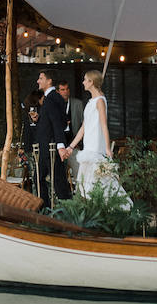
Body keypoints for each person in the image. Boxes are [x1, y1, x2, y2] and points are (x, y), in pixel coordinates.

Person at [61, 70, 130, 205]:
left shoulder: (100, 101)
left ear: (91, 82)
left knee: (101, 182)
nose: (83, 82)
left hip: (96, 147)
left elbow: (104, 125)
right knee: (86, 184)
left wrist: (107, 149)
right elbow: (83, 128)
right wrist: (70, 147)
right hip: (89, 146)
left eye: (85, 80)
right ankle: (95, 211)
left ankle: (119, 207)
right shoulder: (91, 101)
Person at [33, 69, 72, 205]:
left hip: (51, 147)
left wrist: (60, 146)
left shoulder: (51, 99)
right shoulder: (53, 98)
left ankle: (67, 210)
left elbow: (57, 123)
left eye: (41, 78)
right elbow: (61, 121)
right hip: (46, 146)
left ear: (49, 81)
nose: (38, 81)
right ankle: (45, 208)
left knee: (58, 181)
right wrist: (39, 119)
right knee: (39, 178)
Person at [57, 79, 85, 147]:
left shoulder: (78, 103)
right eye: (63, 90)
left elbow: (84, 122)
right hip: (59, 139)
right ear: (58, 91)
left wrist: (79, 139)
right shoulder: (54, 105)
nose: (65, 92)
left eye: (67, 89)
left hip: (74, 138)